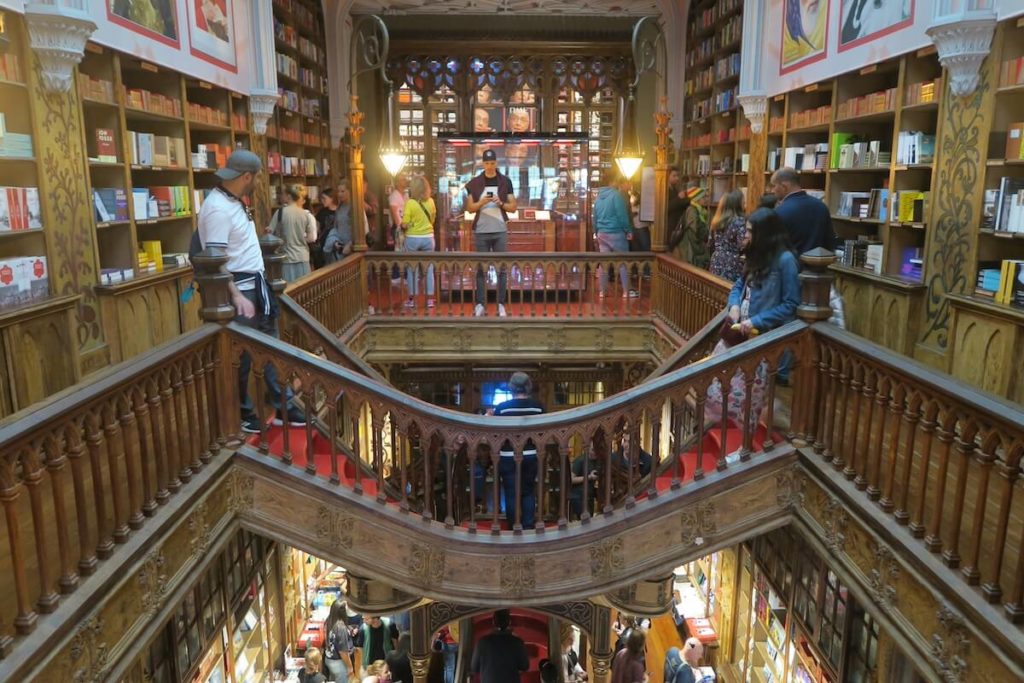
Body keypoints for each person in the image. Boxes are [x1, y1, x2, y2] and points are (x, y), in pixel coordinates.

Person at [196, 149, 305, 434]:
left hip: (256, 287)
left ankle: (284, 404)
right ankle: (242, 412)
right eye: (257, 177)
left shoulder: (232, 201)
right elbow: (214, 259)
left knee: (270, 348)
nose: (258, 182)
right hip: (243, 292)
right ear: (247, 176)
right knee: (241, 357)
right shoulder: (218, 208)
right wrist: (235, 295)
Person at [706, 208, 801, 429]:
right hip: (740, 333)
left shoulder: (785, 261)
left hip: (762, 340)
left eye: (749, 231)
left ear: (764, 233)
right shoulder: (756, 254)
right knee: (717, 382)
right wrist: (735, 305)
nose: (745, 235)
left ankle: (744, 446)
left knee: (750, 395)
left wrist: (757, 321)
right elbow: (740, 284)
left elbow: (791, 304)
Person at [464, 148, 516, 317]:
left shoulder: (505, 181)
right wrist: (482, 202)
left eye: (492, 163)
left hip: (500, 230)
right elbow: (470, 209)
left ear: (496, 162)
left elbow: (513, 207)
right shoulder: (474, 182)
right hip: (481, 231)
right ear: (482, 163)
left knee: (502, 269)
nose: (489, 166)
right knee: (481, 269)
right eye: (486, 163)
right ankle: (480, 304)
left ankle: (501, 304)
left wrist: (500, 203)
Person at [494, 372, 545, 530]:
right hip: (531, 455)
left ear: (511, 387)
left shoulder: (502, 409)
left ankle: (513, 526)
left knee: (511, 493)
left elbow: (495, 433)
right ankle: (528, 526)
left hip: (508, 455)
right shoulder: (538, 407)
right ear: (528, 386)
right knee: (528, 491)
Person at [771, 166, 836, 255]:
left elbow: (774, 247)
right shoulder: (821, 206)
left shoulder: (780, 211)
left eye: (774, 186)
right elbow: (830, 242)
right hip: (818, 266)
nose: (772, 190)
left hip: (791, 266)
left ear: (784, 186)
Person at [593, 173, 637, 298]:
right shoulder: (616, 195)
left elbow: (594, 217)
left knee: (604, 263)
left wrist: (596, 231)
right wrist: (628, 230)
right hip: (616, 232)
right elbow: (622, 216)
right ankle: (626, 291)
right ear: (611, 182)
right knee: (623, 262)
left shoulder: (598, 198)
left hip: (602, 233)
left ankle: (603, 291)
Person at [401, 175, 437, 309]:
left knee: (412, 270)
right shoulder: (431, 202)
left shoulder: (410, 203)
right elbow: (433, 219)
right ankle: (429, 300)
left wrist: (408, 225)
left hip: (413, 239)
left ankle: (413, 300)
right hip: (428, 238)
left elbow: (404, 223)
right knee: (429, 269)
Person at [270, 184, 317, 283]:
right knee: (305, 290)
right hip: (303, 257)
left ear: (289, 196)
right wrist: (300, 238)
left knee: (289, 290)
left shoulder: (280, 213)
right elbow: (311, 237)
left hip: (287, 258)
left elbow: (271, 235)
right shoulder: (306, 214)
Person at [470, 609, 529, 683]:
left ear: (493, 622)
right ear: (509, 622)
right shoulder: (517, 642)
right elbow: (525, 666)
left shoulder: (482, 642)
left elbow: (474, 668)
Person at [708, 190, 746, 282]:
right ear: (738, 204)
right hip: (732, 262)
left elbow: (710, 243)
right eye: (743, 201)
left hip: (716, 259)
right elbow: (742, 245)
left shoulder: (716, 221)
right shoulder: (739, 222)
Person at [670, 183, 710, 269]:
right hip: (691, 248)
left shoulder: (700, 211)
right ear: (697, 199)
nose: (706, 199)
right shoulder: (692, 210)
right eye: (703, 197)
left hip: (694, 247)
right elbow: (694, 231)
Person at [324, 601, 354, 682]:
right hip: (339, 663)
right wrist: (350, 667)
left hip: (329, 659)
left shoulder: (329, 620)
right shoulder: (341, 628)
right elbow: (343, 652)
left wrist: (349, 629)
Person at [569, 443, 599, 520]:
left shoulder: (597, 461)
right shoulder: (580, 461)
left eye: (597, 450)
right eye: (593, 450)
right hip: (578, 495)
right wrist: (589, 477)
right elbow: (571, 479)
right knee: (586, 519)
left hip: (589, 495)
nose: (595, 452)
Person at [313, 188, 338, 269]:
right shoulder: (322, 212)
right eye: (321, 198)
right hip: (322, 244)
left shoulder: (339, 211)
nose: (322, 200)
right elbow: (317, 228)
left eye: (324, 198)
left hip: (335, 245)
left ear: (332, 198)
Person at [332, 180, 355, 259]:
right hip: (340, 246)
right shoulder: (339, 207)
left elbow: (359, 230)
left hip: (351, 247)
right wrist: (335, 241)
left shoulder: (354, 207)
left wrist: (350, 244)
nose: (339, 194)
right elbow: (335, 227)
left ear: (349, 191)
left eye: (342, 191)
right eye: (338, 191)